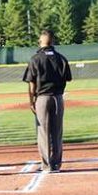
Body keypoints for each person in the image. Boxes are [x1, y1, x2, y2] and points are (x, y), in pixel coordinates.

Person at [23, 29, 72, 173]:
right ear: (53, 41)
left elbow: (31, 84)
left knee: (43, 132)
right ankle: (56, 164)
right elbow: (67, 78)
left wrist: (31, 101)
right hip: (57, 97)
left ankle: (46, 165)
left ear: (40, 42)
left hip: (42, 98)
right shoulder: (61, 58)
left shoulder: (35, 59)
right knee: (57, 132)